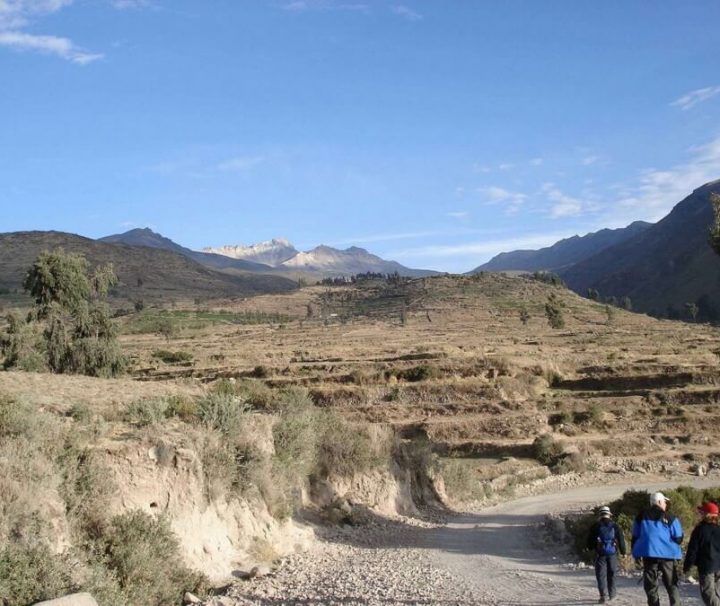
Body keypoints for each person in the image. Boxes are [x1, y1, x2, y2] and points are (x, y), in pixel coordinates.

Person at [632, 491, 684, 606]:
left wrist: (635, 554)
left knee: (651, 587)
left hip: (648, 555)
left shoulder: (640, 517)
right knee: (671, 585)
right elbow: (679, 538)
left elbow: (635, 536)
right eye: (665, 502)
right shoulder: (670, 517)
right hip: (668, 556)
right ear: (660, 502)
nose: (665, 504)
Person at [586, 505, 627, 603]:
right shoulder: (615, 526)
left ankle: (603, 596)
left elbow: (590, 541)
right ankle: (612, 594)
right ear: (609, 515)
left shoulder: (595, 526)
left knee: (601, 575)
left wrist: (590, 548)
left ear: (600, 514)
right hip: (612, 553)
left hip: (600, 554)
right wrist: (623, 552)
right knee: (611, 574)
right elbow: (621, 540)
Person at [684, 501, 720, 606]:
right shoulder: (718, 529)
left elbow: (692, 550)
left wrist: (687, 566)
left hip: (706, 568)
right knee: (716, 593)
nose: (700, 514)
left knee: (708, 594)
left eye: (702, 512)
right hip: (718, 566)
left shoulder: (699, 530)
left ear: (706, 515)